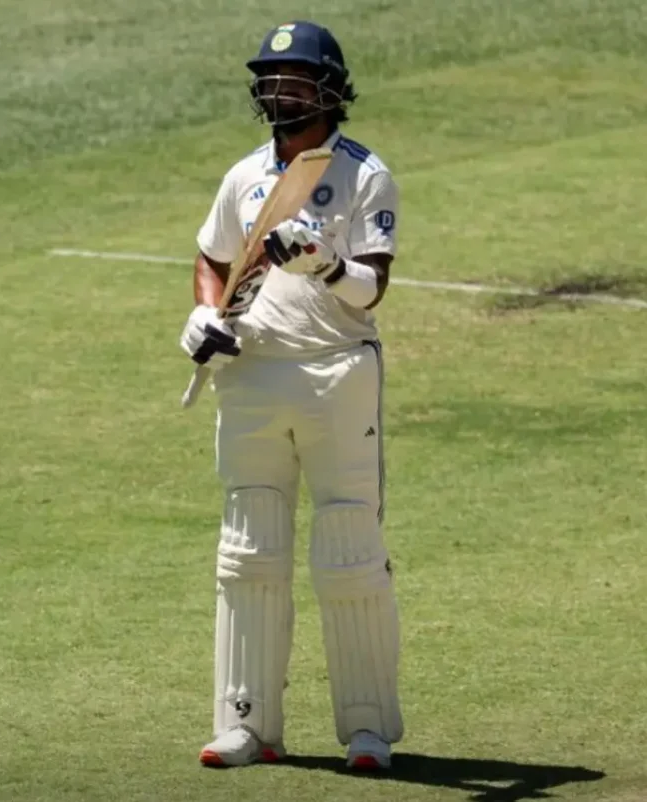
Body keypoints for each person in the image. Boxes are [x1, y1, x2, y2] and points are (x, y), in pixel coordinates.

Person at [178, 20, 403, 771]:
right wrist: (204, 313)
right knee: (249, 549)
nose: (279, 91)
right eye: (271, 79)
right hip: (251, 376)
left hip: (336, 372)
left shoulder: (365, 174)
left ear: (331, 88)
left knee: (349, 548)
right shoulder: (244, 176)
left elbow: (371, 291)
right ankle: (246, 724)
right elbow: (212, 258)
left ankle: (367, 731)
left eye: (295, 79)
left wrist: (326, 264)